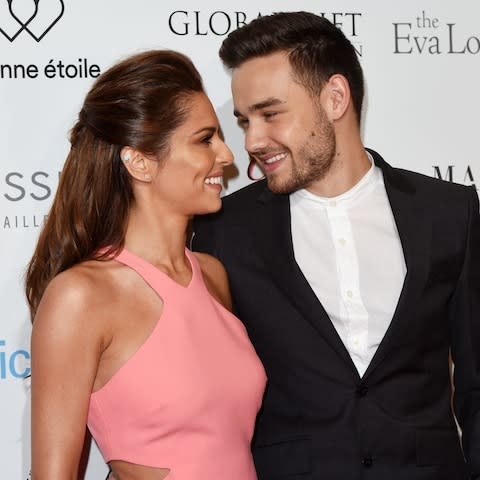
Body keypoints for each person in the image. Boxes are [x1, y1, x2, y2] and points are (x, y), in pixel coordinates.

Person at [192, 11, 480, 480]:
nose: (252, 141)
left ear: (335, 97)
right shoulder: (224, 230)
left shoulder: (448, 212)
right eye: (244, 122)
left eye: (270, 114)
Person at [26, 49, 266, 480]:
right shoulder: (81, 296)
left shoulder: (212, 275)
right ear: (139, 161)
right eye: (204, 139)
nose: (227, 155)